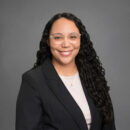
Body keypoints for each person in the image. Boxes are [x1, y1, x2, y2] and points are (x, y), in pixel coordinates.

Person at [16, 12, 116, 130]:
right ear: (48, 41)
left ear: (80, 40)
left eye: (72, 37)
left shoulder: (93, 77)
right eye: (58, 37)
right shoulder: (33, 81)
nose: (66, 44)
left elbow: (109, 125)